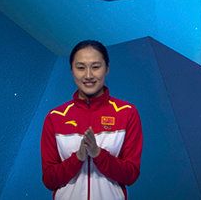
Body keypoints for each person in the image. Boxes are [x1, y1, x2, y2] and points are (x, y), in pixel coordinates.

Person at [41, 40, 142, 199]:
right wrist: (78, 158)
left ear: (107, 69)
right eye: (81, 67)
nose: (88, 75)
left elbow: (131, 175)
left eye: (95, 67)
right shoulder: (55, 117)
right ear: (72, 70)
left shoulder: (127, 113)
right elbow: (49, 180)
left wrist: (98, 154)